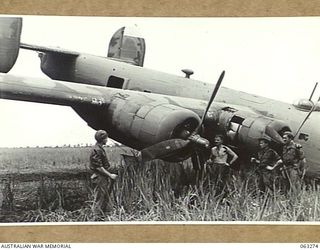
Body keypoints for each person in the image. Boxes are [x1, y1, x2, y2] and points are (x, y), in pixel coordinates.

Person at [89, 130, 118, 213]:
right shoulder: (97, 150)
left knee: (103, 198)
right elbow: (98, 167)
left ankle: (102, 216)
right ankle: (96, 219)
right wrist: (110, 175)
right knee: (99, 199)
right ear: (102, 139)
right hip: (99, 178)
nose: (107, 140)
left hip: (102, 177)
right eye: (106, 138)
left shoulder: (99, 148)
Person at [279, 131, 306, 195]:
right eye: (283, 138)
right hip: (285, 168)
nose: (284, 139)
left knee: (294, 185)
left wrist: (300, 169)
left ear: (290, 138)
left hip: (293, 169)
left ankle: (295, 201)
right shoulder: (284, 147)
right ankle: (288, 200)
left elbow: (302, 159)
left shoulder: (296, 147)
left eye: (285, 138)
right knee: (286, 185)